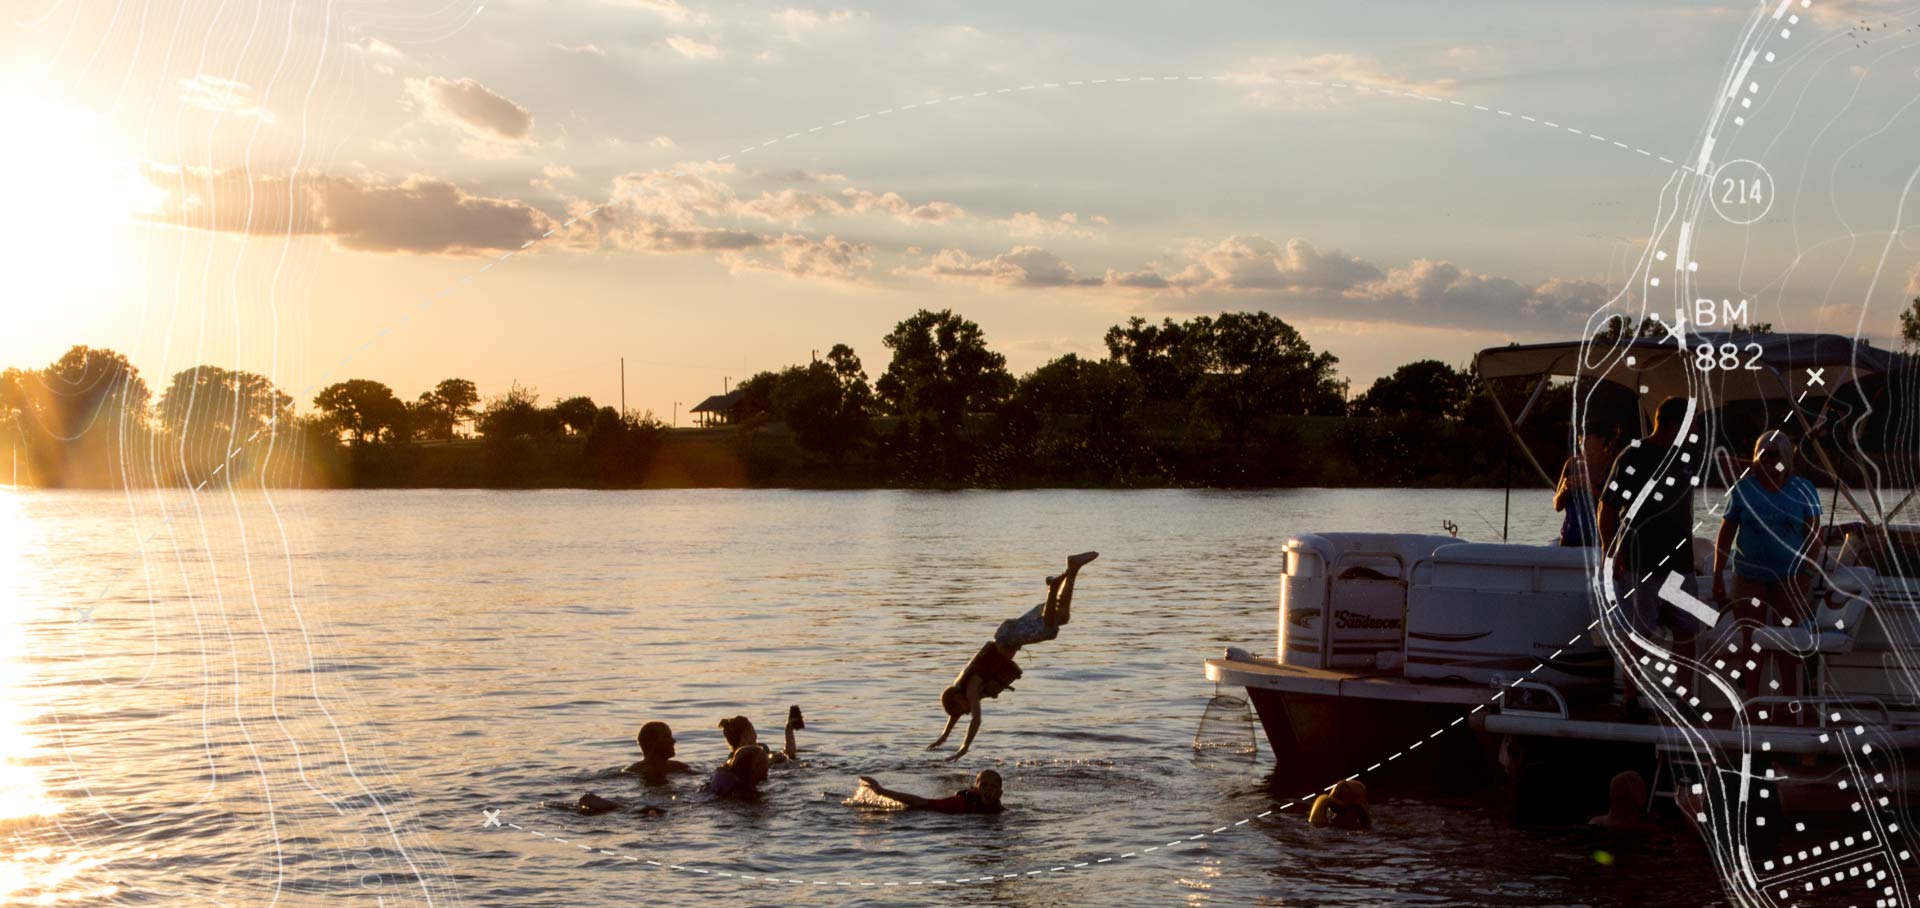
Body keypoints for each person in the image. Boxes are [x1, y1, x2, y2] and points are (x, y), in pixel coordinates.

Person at [929, 552, 1098, 761]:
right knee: (1061, 617)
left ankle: (1053, 587)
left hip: (1008, 638)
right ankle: (1072, 570)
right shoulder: (961, 694)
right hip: (1009, 634)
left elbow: (977, 720)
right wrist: (943, 737)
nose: (966, 713)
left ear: (957, 698)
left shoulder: (971, 687)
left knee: (1049, 629)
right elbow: (955, 715)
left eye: (962, 710)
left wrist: (964, 748)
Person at [1712, 430, 1823, 701]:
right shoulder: (1744, 489)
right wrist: (1717, 574)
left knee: (1787, 640)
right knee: (1752, 641)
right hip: (1749, 575)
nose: (1767, 462)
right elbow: (1726, 534)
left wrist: (1807, 571)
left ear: (1785, 457)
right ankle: (1751, 700)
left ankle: (1788, 701)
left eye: (1773, 456)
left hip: (1790, 576)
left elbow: (1815, 536)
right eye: (1762, 456)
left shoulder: (1803, 488)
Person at [1598, 397, 1703, 645]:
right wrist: (1610, 550)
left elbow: (1723, 465)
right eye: (1694, 424)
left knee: (1688, 631)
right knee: (1637, 637)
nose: (1697, 430)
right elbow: (1607, 506)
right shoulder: (1633, 457)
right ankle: (1634, 685)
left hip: (1681, 565)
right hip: (1640, 564)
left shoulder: (1689, 457)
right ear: (1675, 425)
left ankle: (1684, 686)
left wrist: (1759, 464)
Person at [856, 770, 1004, 814]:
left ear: (999, 793)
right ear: (976, 789)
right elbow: (921, 802)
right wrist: (881, 791)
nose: (988, 789)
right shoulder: (961, 803)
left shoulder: (999, 810)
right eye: (984, 785)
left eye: (993, 786)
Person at [1555, 430, 1611, 547]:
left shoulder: (1611, 467)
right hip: (1569, 542)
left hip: (1599, 544)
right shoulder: (1572, 465)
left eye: (1587, 440)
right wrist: (1564, 489)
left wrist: (1590, 488)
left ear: (1601, 440)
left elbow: (1617, 506)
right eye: (1580, 441)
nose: (1582, 444)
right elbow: (1557, 506)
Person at [717, 708, 803, 778]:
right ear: (746, 734)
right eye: (752, 729)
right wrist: (769, 761)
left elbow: (790, 754)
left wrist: (788, 730)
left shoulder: (762, 748)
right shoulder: (734, 759)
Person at [623, 721, 694, 783]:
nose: (673, 741)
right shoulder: (678, 767)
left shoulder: (630, 772)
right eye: (667, 737)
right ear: (651, 742)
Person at [1589, 771, 1658, 829]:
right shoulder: (1648, 829)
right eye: (1643, 790)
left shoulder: (1594, 822)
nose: (1646, 793)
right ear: (1639, 797)